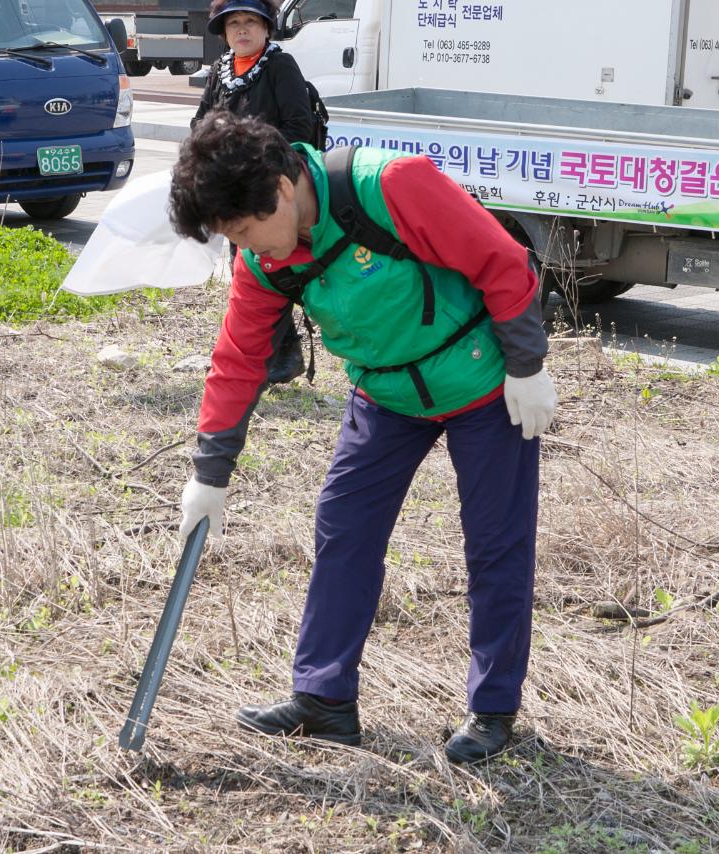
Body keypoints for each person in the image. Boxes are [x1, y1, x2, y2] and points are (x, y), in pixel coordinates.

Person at [168, 111, 557, 764]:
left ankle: (493, 710)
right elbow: (239, 359)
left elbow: (501, 260)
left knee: (495, 542)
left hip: (484, 384)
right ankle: (325, 699)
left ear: (284, 188)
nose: (250, 251)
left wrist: (527, 366)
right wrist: (210, 472)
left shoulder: (392, 186)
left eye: (245, 230)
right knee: (343, 523)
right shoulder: (268, 260)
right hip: (386, 393)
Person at [192, 0, 314, 385]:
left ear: (266, 28)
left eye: (250, 22)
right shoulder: (220, 70)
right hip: (232, 187)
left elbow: (300, 126)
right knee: (246, 270)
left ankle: (280, 354)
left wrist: (259, 161)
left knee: (269, 267)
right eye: (233, 24)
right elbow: (200, 121)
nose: (241, 30)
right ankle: (274, 354)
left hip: (271, 187)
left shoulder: (280, 66)